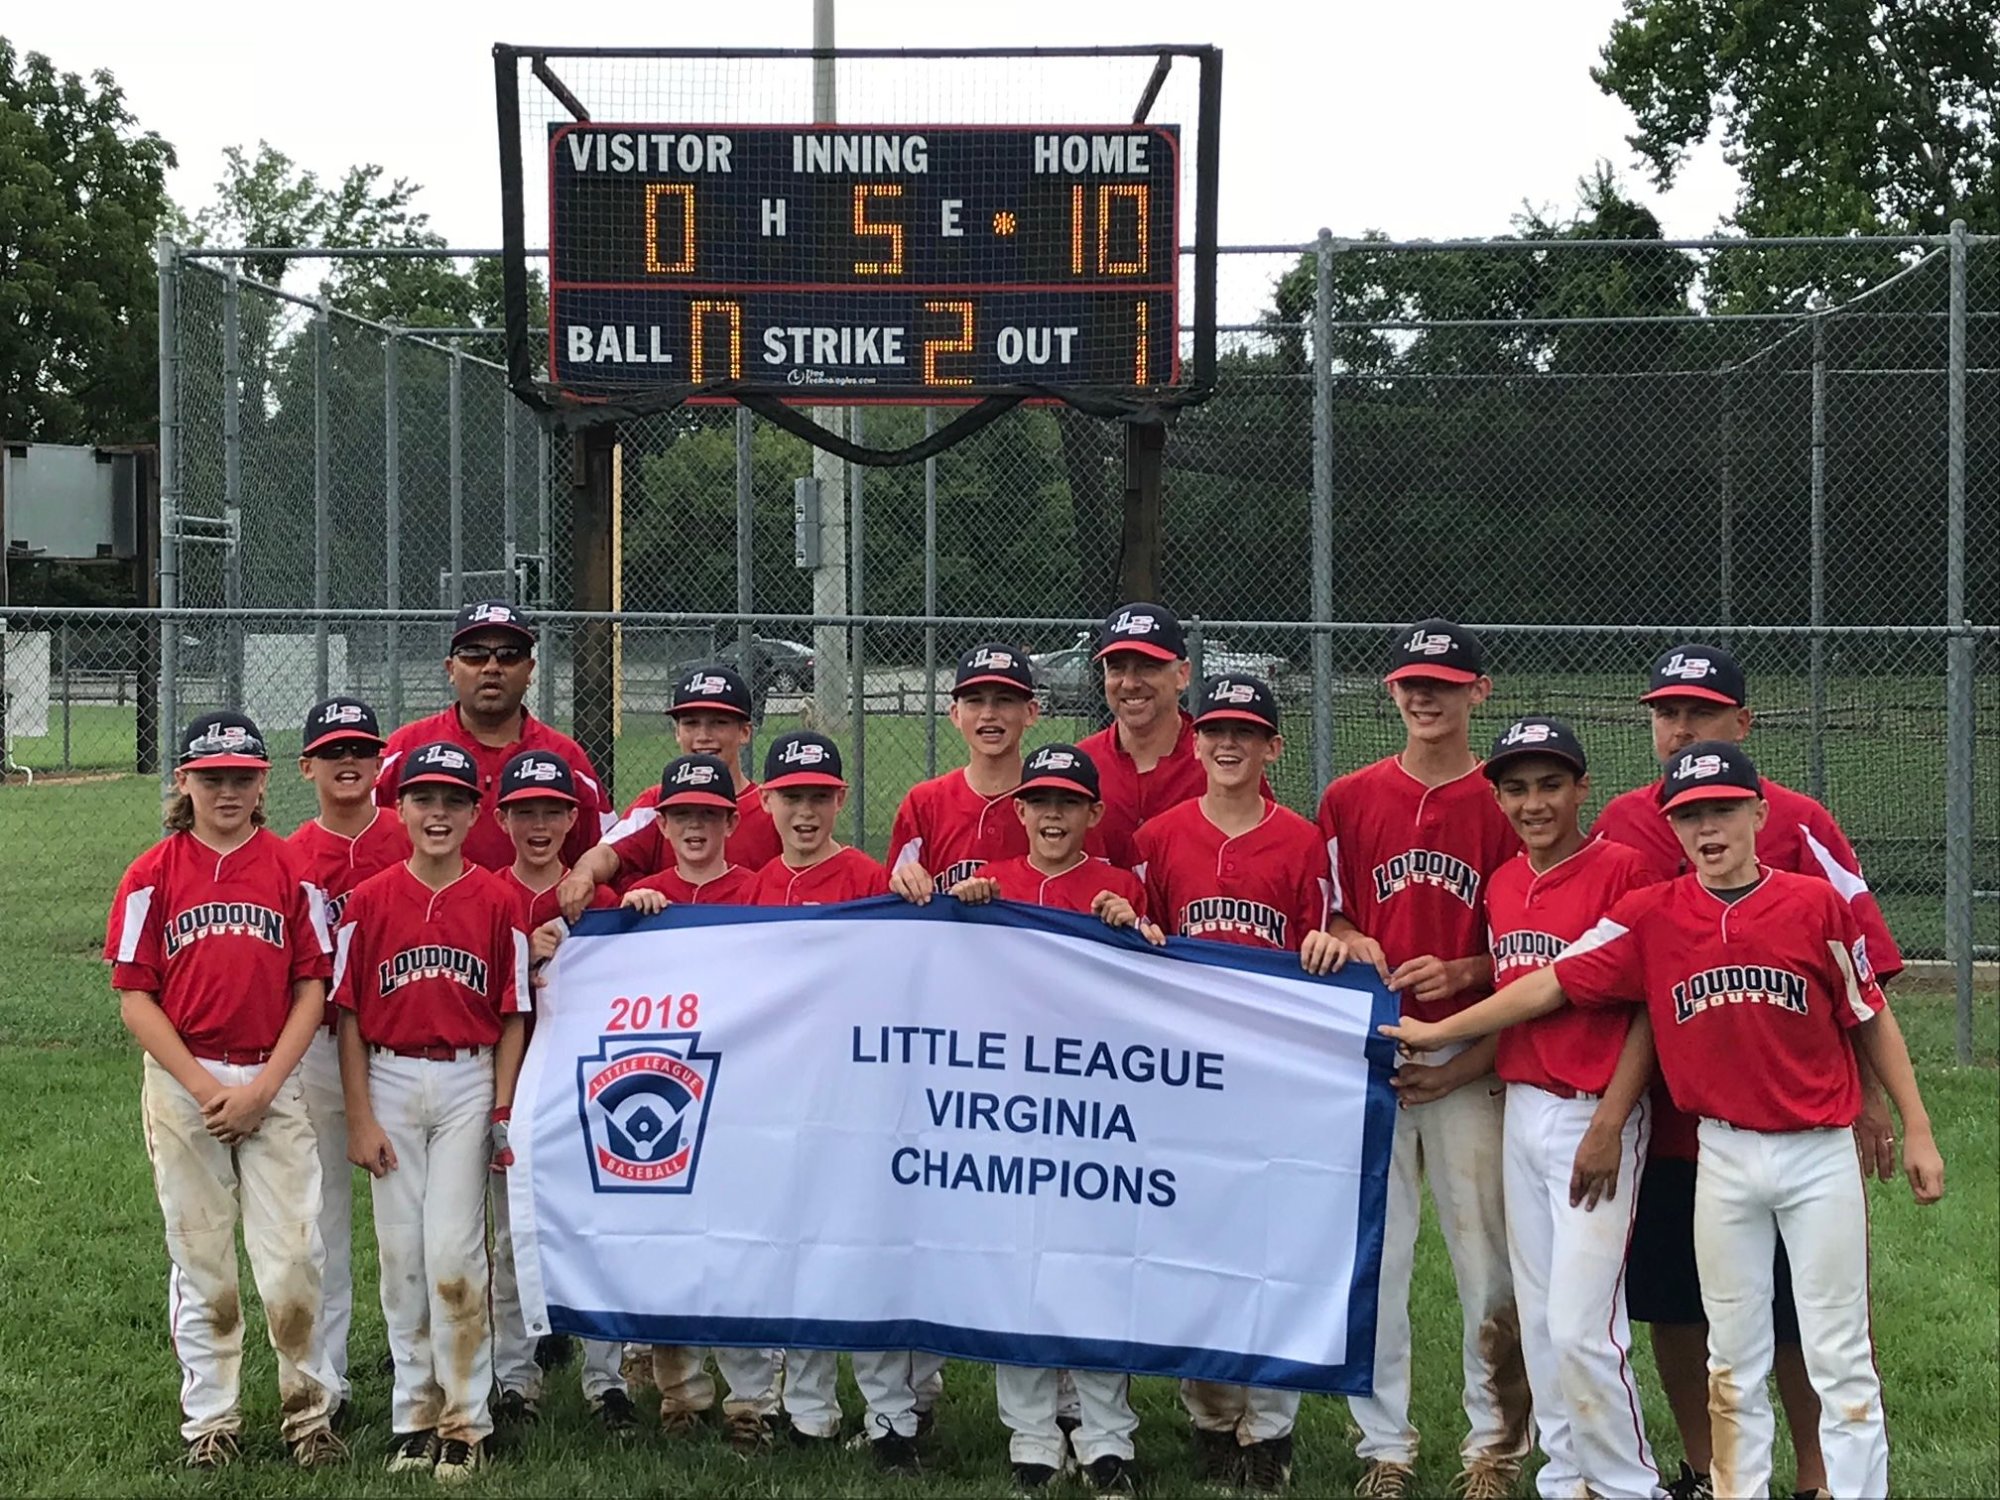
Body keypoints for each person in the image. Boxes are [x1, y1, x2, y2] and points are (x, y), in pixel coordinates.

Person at [1381, 741, 1946, 1500]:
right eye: (1689, 816)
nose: (1707, 828)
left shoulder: (1815, 905)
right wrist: (1437, 1033)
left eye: (1722, 810)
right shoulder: (1653, 913)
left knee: (1838, 1349)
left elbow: (1869, 1015)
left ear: (1759, 812)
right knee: (1733, 1356)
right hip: (1722, 1153)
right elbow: (1547, 982)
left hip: (1816, 1154)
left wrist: (1915, 1126)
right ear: (1672, 825)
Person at [1592, 644, 1905, 1500]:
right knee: (1677, 1301)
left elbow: (1863, 978)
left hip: (1794, 1110)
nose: (1680, 726)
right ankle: (1706, 1468)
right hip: (1673, 1114)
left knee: (1803, 1314)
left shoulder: (1798, 821)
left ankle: (1814, 1476)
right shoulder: (1624, 823)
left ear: (1744, 723)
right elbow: (1613, 978)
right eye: (1665, 712)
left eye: (1699, 711)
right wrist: (1609, 1114)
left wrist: (1875, 1106)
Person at [1314, 620, 1527, 1500]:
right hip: (1371, 1059)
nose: (1423, 694)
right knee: (1378, 1261)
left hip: (1473, 1057)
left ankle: (1495, 1450)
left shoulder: (1507, 798)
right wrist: (1352, 936)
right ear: (1391, 691)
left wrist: (1469, 969)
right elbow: (1324, 915)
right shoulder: (1350, 798)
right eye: (1409, 680)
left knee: (1489, 1268)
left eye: (1443, 680)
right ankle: (1384, 1450)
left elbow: (1535, 941)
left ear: (1478, 691)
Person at [1116, 675, 1340, 1493]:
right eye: (1215, 729)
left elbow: (1326, 937)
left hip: (1275, 1074)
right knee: (1194, 1243)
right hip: (1187, 1074)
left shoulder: (1304, 840)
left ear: (1272, 747)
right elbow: (1140, 940)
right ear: (1197, 740)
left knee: (1276, 1246)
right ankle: (1212, 1418)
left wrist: (1330, 945)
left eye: (1246, 731)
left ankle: (1271, 1429)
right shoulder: (1161, 835)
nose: (1227, 744)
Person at [106, 710, 345, 1470]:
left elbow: (313, 985)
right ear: (185, 780)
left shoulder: (289, 869)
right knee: (200, 1251)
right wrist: (206, 1085)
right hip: (189, 1080)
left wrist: (265, 1085)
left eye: (242, 776)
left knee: (294, 1253)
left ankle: (309, 1416)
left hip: (273, 1076)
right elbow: (135, 996)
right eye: (212, 778)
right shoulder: (152, 873)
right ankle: (211, 1422)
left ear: (264, 780)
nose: (228, 790)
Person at [946, 742, 1145, 1494]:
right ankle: (1031, 1433)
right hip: (1013, 1108)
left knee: (1095, 1267)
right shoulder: (991, 889)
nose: (1054, 815)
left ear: (1093, 813)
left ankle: (1105, 1435)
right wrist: (954, 914)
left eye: (1070, 802)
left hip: (1097, 1109)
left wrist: (1134, 927)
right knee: (1016, 1266)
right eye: (1041, 802)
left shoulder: (1120, 887)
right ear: (1018, 810)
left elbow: (1160, 991)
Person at [1478, 717, 1663, 1500]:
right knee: (1544, 1318)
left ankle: (1628, 1486)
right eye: (1516, 788)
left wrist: (1611, 1123)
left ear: (1583, 788)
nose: (1534, 803)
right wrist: (1448, 1067)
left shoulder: (1624, 869)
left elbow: (1652, 1005)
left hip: (1597, 1111)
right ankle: (1565, 1478)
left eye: (1550, 784)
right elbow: (1514, 1007)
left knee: (1587, 1327)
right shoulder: (1502, 882)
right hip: (1523, 1105)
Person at [335, 740, 530, 1482]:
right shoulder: (369, 900)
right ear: (400, 809)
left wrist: (501, 1104)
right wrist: (359, 1116)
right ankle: (413, 1413)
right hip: (387, 1077)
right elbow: (349, 1014)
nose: (438, 813)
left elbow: (512, 1012)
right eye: (424, 800)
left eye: (453, 800)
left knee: (453, 1252)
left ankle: (466, 1418)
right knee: (401, 1258)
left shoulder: (499, 899)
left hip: (466, 1081)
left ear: (476, 812)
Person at [599, 754, 789, 1450]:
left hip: (740, 1090)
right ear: (664, 822)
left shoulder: (758, 889)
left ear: (732, 821)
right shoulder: (644, 894)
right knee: (668, 1241)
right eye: (682, 816)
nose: (695, 828)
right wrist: (628, 920)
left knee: (738, 1243)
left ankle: (750, 1402)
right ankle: (680, 1393)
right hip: (665, 1094)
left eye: (708, 816)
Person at [747, 731, 924, 1470]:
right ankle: (808, 1411)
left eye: (820, 796)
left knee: (865, 1249)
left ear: (841, 800)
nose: (806, 811)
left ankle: (892, 1418)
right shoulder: (753, 885)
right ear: (765, 801)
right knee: (797, 1251)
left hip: (857, 1094)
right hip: (782, 1096)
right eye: (792, 796)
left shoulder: (865, 877)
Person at [485, 750, 635, 1437]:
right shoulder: (484, 896)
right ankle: (515, 1377)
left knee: (594, 1236)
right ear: (503, 817)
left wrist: (623, 923)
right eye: (525, 812)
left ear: (576, 819)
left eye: (553, 811)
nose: (540, 825)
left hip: (591, 1095)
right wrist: (528, 957)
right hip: (513, 1087)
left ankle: (608, 1382)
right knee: (515, 1242)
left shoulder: (604, 906)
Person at [286, 694, 408, 1419]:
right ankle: (326, 1380)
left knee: (409, 1223)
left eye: (361, 750)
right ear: (307, 766)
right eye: (333, 752)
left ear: (380, 760)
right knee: (321, 1220)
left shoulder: (412, 834)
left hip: (399, 1049)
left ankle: (419, 1375)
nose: (348, 762)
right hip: (318, 1047)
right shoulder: (290, 855)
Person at [376, 600, 612, 874]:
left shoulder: (564, 757)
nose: (491, 667)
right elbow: (367, 840)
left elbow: (604, 850)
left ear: (529, 670)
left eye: (509, 655)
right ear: (451, 668)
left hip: (536, 916)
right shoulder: (406, 748)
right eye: (474, 654)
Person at [584, 662, 782, 896]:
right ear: (677, 732)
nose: (703, 736)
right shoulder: (658, 801)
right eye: (690, 723)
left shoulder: (771, 808)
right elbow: (606, 853)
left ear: (744, 732)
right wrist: (581, 876)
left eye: (719, 723)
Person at [887, 641, 1040, 901]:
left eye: (1004, 700)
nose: (989, 714)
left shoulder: (1056, 802)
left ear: (1030, 712)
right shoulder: (924, 803)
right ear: (956, 714)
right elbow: (890, 902)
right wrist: (901, 881)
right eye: (975, 701)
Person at [1074, 602, 1203, 867]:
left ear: (1182, 675)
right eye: (1117, 669)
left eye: (1147, 667)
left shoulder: (1217, 762)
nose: (1130, 683)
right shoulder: (1081, 763)